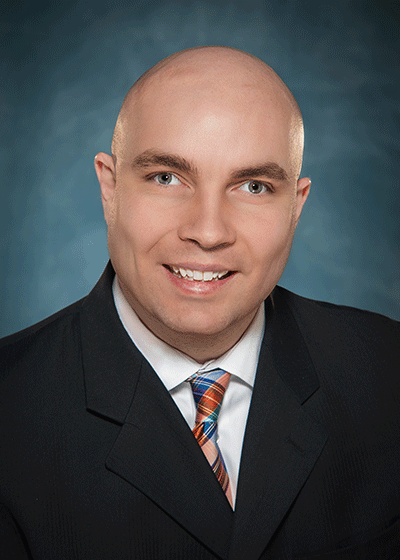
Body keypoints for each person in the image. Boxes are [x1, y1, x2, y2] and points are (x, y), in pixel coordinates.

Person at [0, 46, 399, 560]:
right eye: (167, 178)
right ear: (110, 187)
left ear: (296, 208)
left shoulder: (387, 372)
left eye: (253, 186)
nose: (208, 232)